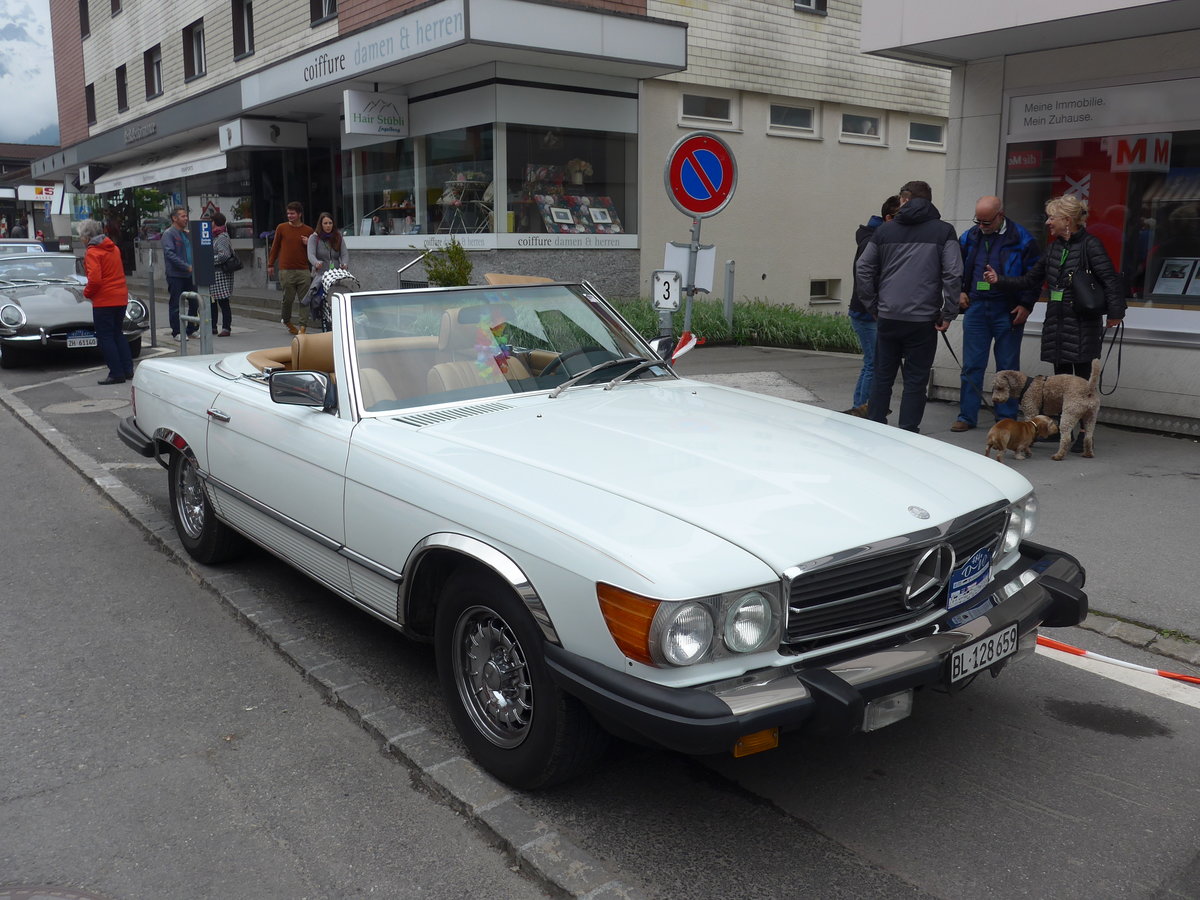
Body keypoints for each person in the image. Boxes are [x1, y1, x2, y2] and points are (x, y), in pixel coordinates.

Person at [984, 194, 1125, 451]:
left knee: (1082, 382)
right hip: (1058, 324)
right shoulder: (1054, 248)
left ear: (1067, 220)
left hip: (1082, 322)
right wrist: (999, 280)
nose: (1048, 222)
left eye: (1052, 217)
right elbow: (1030, 279)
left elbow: (1110, 279)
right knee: (1060, 383)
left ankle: (1083, 434)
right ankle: (1062, 431)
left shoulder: (1091, 245)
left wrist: (1116, 312)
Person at [855, 180, 962, 433]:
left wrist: (873, 306)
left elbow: (863, 268)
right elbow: (953, 274)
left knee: (883, 376)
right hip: (923, 319)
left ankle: (876, 426)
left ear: (904, 200)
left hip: (889, 316)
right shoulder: (944, 231)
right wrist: (949, 312)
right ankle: (908, 431)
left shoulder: (884, 231)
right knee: (915, 380)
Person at [950, 195, 1041, 432]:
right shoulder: (969, 237)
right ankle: (967, 416)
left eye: (986, 222)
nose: (981, 226)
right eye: (978, 221)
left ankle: (1006, 417)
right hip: (977, 306)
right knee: (972, 365)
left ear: (1000, 215)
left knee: (1008, 367)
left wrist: (1026, 305)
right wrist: (959, 292)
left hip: (1007, 308)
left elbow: (1035, 276)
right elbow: (955, 268)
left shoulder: (1022, 239)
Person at [846, 195, 901, 411]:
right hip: (866, 313)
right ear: (888, 218)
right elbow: (865, 277)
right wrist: (875, 306)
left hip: (867, 311)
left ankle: (863, 405)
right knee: (873, 363)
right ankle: (862, 407)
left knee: (872, 363)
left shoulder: (875, 237)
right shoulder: (872, 241)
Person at [78, 218, 133, 385]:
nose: (81, 239)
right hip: (120, 296)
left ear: (87, 237)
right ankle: (127, 369)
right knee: (118, 333)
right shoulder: (113, 248)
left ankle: (116, 373)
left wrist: (86, 293)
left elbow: (94, 280)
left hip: (104, 299)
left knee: (105, 337)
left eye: (81, 236)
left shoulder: (93, 252)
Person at [267, 201, 314, 335]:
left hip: (303, 270)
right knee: (288, 299)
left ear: (299, 214)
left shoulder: (308, 230)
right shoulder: (281, 228)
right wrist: (270, 264)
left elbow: (314, 250)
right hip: (286, 270)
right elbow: (275, 247)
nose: (289, 216)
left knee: (305, 299)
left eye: (292, 213)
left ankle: (303, 326)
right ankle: (286, 320)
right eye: (288, 213)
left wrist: (308, 243)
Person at [305, 211, 350, 332]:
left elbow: (344, 253)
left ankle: (338, 320)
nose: (328, 225)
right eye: (325, 223)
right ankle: (320, 317)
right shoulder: (314, 238)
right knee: (319, 298)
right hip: (321, 274)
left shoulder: (338, 236)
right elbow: (311, 254)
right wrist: (316, 263)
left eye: (330, 223)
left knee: (336, 297)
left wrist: (344, 263)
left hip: (335, 274)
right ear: (321, 224)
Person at [160, 205, 197, 339]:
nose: (186, 218)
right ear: (174, 218)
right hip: (176, 274)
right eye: (183, 216)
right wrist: (185, 266)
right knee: (176, 303)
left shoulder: (186, 234)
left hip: (190, 274)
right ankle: (177, 331)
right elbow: (170, 254)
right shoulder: (169, 234)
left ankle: (191, 328)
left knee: (195, 301)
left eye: (186, 216)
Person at [210, 212, 235, 337]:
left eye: (211, 221)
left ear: (215, 222)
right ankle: (213, 327)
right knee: (212, 302)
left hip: (221, 274)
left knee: (223, 302)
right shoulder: (215, 236)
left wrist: (209, 259)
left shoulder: (222, 237)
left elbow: (224, 255)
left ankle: (226, 328)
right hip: (214, 274)